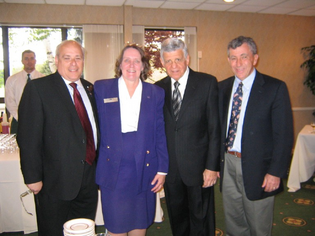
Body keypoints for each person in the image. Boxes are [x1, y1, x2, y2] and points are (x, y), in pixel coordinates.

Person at [17, 40, 99, 236]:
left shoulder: (90, 89)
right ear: (56, 60)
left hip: (88, 179)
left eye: (78, 58)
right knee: (53, 231)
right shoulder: (38, 89)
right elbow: (28, 138)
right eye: (67, 57)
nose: (73, 63)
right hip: (55, 181)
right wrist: (33, 177)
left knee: (83, 230)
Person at [218, 36, 293, 236]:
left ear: (255, 58)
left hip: (259, 169)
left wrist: (275, 172)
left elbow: (283, 135)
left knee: (259, 226)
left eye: (244, 56)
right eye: (233, 58)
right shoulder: (222, 88)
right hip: (228, 164)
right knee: (234, 223)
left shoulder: (274, 88)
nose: (238, 63)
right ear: (228, 60)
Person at [94, 44, 169, 236]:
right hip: (114, 170)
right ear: (119, 64)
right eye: (127, 60)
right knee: (116, 225)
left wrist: (162, 169)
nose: (131, 65)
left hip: (145, 168)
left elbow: (160, 133)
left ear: (143, 66)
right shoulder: (102, 88)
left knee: (139, 222)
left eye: (137, 60)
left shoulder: (155, 93)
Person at [155, 38, 220, 236]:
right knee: (177, 218)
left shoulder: (207, 83)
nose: (173, 65)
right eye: (168, 61)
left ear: (187, 59)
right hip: (172, 169)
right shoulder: (158, 89)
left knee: (201, 219)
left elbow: (214, 128)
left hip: (200, 169)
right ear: (162, 63)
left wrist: (212, 166)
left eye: (178, 60)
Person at [5, 50, 44, 134]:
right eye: (26, 58)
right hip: (18, 120)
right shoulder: (12, 80)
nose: (29, 61)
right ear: (22, 61)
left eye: (32, 58)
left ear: (35, 61)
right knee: (16, 146)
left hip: (39, 122)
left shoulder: (44, 79)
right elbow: (9, 101)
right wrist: (21, 118)